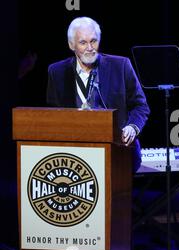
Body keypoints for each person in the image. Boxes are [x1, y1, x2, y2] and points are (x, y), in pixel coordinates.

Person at [46, 17, 150, 172]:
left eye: (93, 41)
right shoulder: (57, 72)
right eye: (83, 42)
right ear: (71, 45)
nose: (90, 48)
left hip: (117, 150)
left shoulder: (120, 66)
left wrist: (132, 127)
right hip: (74, 154)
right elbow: (52, 114)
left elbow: (141, 106)